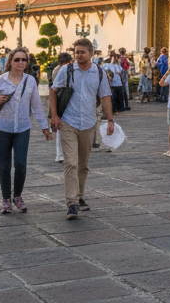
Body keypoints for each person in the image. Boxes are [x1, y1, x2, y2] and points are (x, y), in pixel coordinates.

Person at [48, 39, 115, 219]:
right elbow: (53, 91)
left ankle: (79, 195)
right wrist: (54, 115)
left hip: (88, 123)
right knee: (71, 162)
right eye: (76, 52)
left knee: (83, 165)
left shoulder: (99, 73)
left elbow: (105, 96)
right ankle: (72, 203)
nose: (78, 55)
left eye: (82, 52)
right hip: (68, 122)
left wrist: (110, 120)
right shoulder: (66, 70)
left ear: (91, 52)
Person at [0, 46, 52, 213]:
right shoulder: (0, 80)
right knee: (4, 165)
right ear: (10, 61)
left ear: (27, 62)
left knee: (21, 164)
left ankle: (18, 196)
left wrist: (45, 127)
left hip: (23, 127)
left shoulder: (30, 81)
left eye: (24, 59)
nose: (21, 62)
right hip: (2, 127)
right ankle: (6, 199)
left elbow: (36, 106)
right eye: (17, 59)